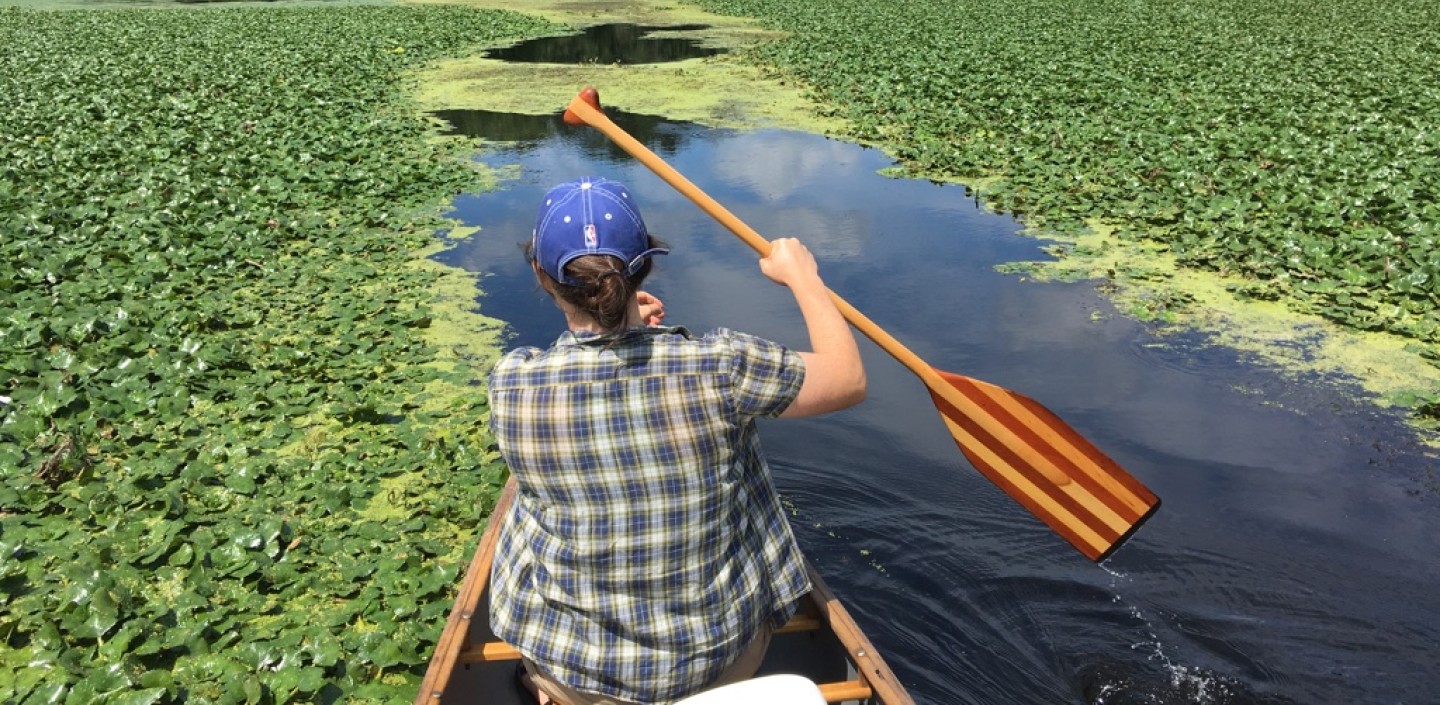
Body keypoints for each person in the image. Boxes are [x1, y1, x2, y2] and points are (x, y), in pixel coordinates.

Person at [487, 176, 866, 705]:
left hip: (578, 676)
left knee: (530, 513)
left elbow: (592, 363)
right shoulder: (721, 368)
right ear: (643, 264)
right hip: (717, 666)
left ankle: (543, 687)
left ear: (541, 275)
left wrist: (623, 322)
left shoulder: (512, 383)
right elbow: (848, 378)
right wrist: (805, 278)